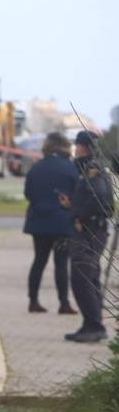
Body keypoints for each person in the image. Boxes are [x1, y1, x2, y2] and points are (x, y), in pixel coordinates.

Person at [59, 130, 114, 343]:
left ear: (84, 146)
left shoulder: (92, 169)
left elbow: (98, 196)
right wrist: (72, 205)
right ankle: (89, 323)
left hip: (90, 231)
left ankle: (95, 326)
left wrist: (80, 215)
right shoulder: (92, 166)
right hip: (93, 229)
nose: (76, 148)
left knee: (82, 279)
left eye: (78, 145)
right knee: (88, 278)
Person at [22, 132, 76, 314]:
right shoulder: (69, 168)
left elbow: (28, 194)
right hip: (62, 222)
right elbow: (76, 193)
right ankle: (64, 303)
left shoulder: (36, 168)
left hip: (38, 220)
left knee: (39, 261)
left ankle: (33, 301)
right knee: (61, 263)